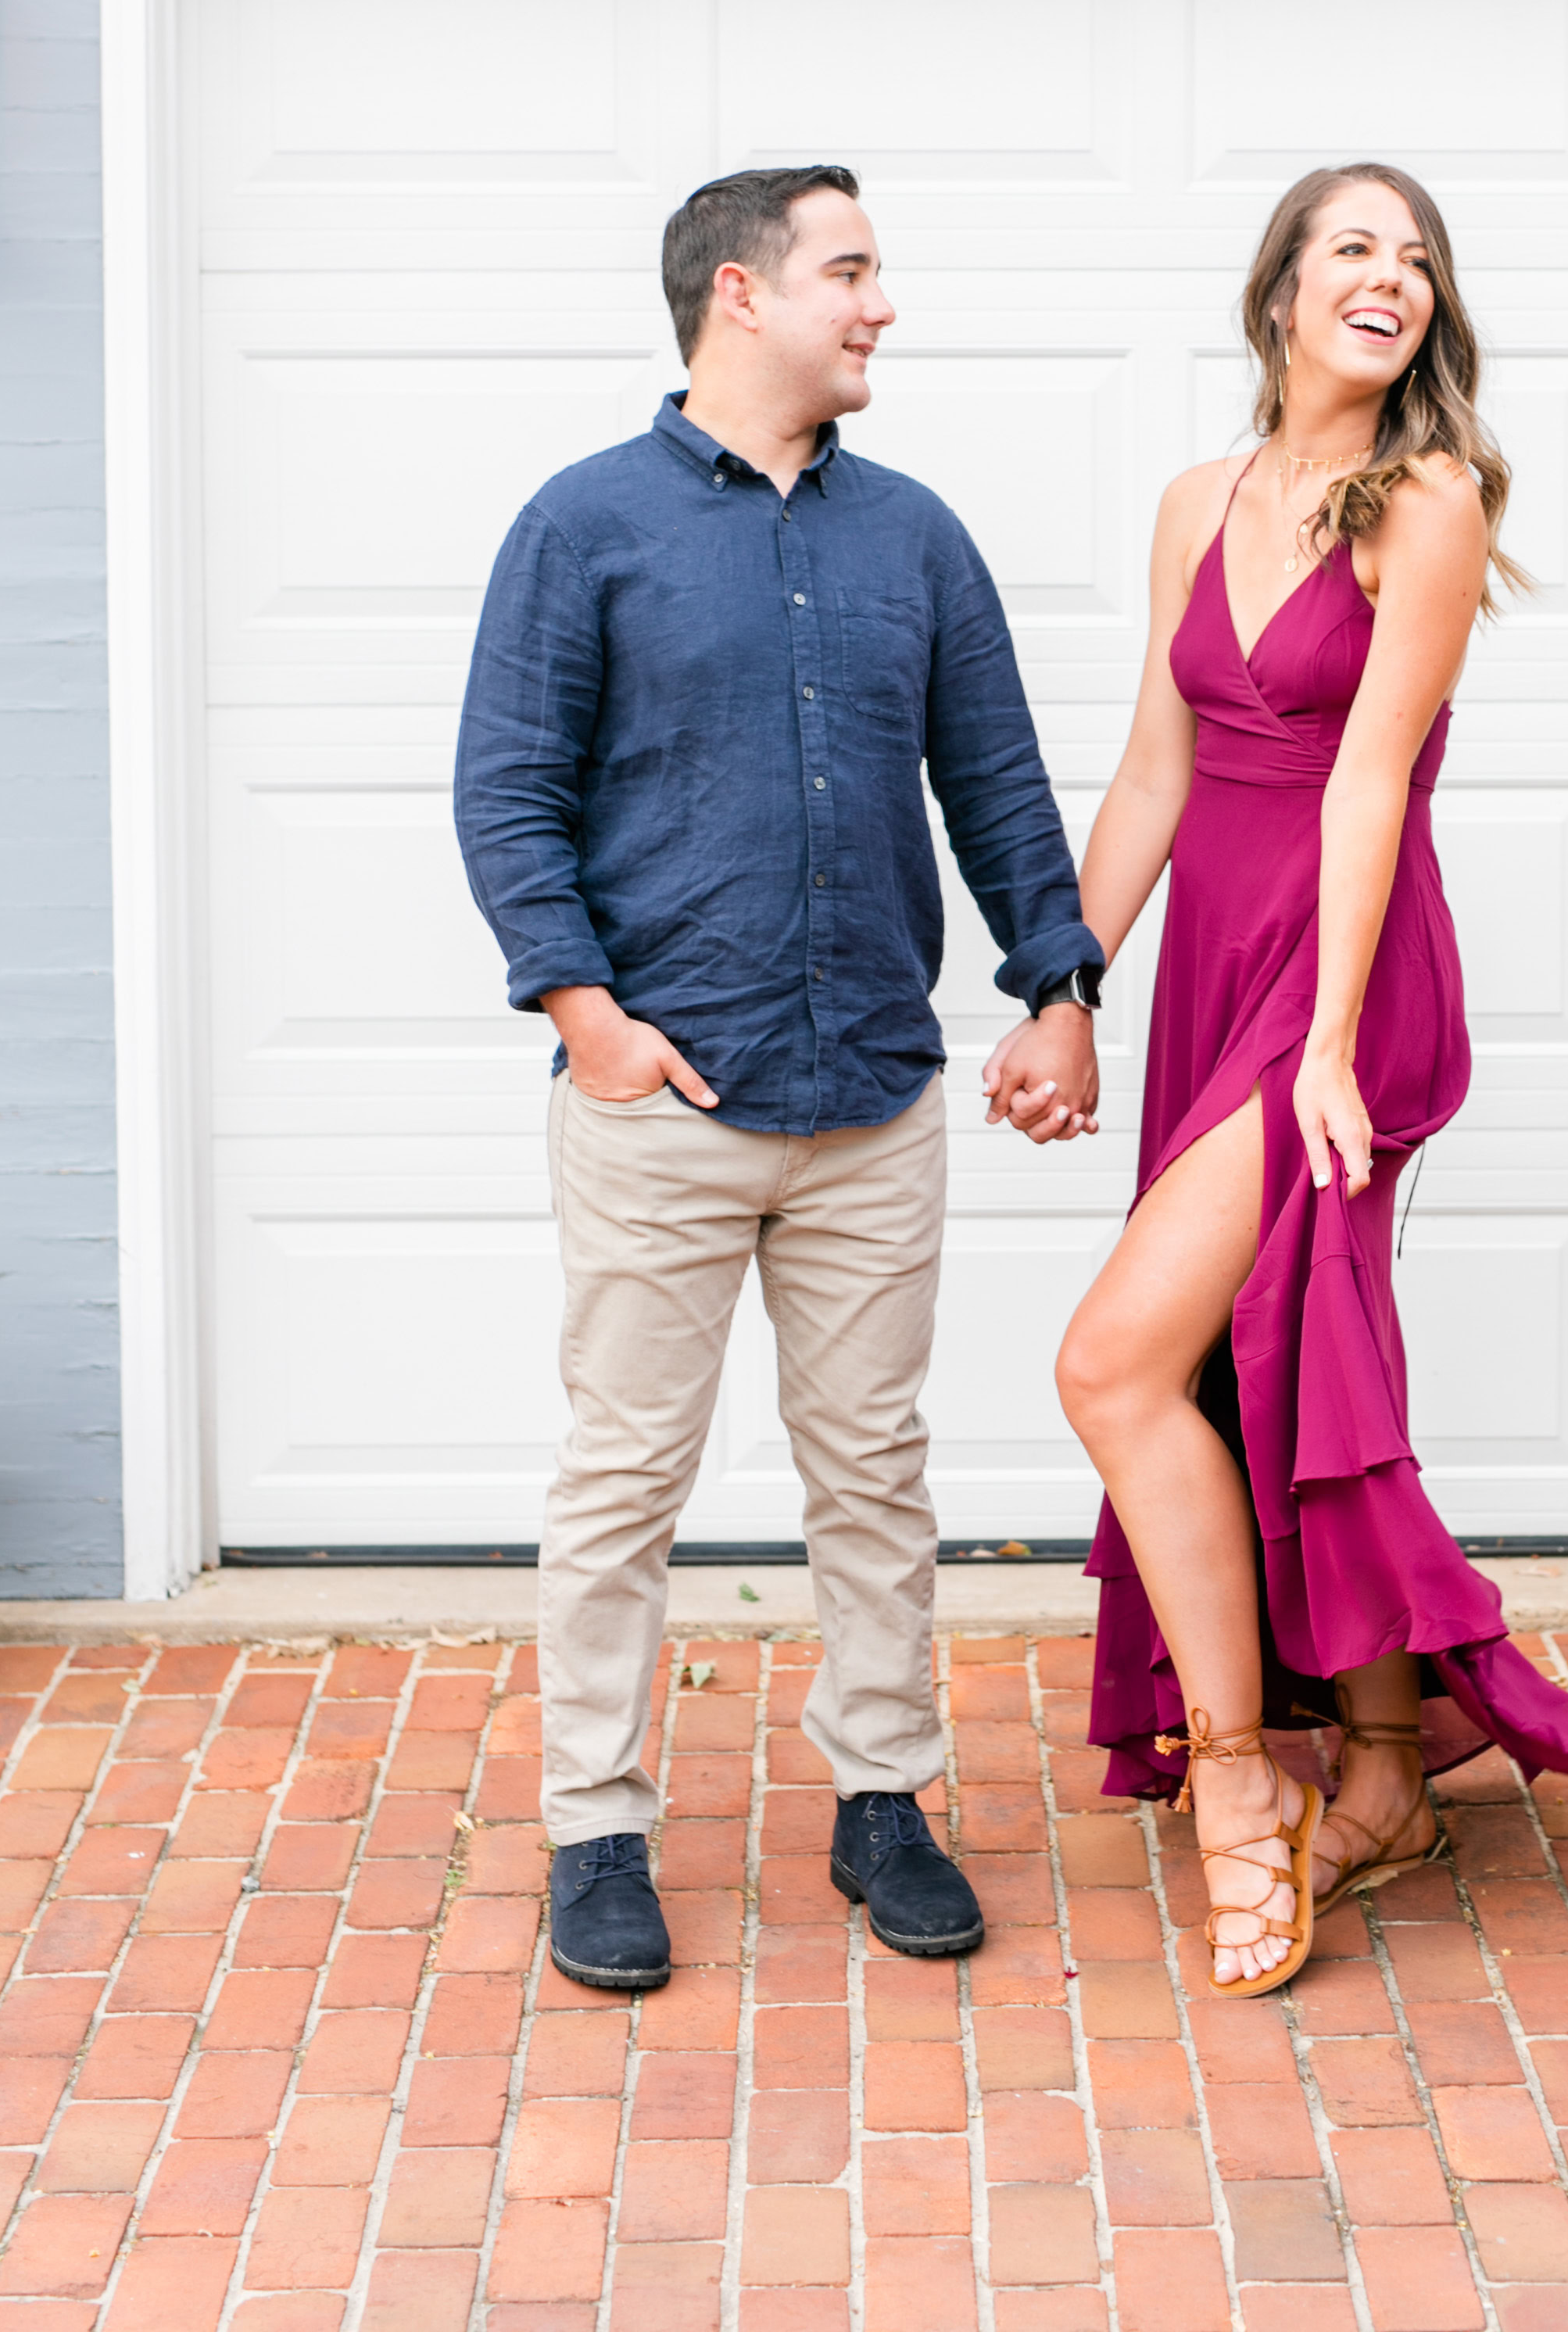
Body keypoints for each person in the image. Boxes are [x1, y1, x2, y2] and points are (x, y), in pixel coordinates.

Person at [991, 161, 1568, 1999]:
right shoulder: (1196, 500)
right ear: (1279, 285)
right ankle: (1376, 1763)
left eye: (1417, 259)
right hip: (1210, 961)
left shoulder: (1425, 498)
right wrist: (1065, 986)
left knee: (1113, 1361)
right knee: (1272, 1358)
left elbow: (1369, 779)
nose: (1392, 277)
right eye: (1354, 247)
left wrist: (1334, 1050)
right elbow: (1151, 768)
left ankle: (1235, 1794)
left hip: (1342, 970)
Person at [456, 163, 1102, 1994]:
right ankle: (596, 1822)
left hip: (873, 1099)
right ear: (741, 294)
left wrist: (1055, 982)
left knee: (875, 1472)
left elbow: (994, 779)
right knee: (621, 1480)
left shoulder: (914, 536)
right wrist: (587, 1014)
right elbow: (507, 788)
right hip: (662, 1098)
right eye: (853, 269)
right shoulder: (582, 524)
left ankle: (882, 1795)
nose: (881, 302)